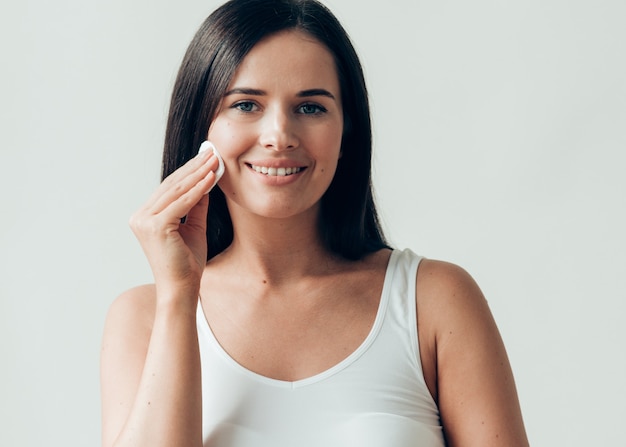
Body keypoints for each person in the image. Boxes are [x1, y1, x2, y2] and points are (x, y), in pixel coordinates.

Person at [100, 0, 530, 446]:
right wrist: (178, 295)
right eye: (246, 104)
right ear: (201, 131)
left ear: (347, 134)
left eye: (311, 108)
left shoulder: (434, 302)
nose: (279, 136)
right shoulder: (143, 318)